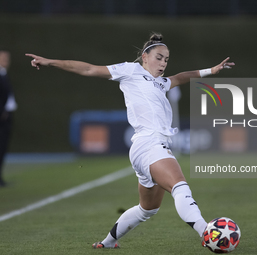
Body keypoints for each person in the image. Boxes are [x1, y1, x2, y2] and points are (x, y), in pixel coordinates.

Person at [25, 33, 235, 249]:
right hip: (150, 144)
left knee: (148, 209)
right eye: (159, 57)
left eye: (166, 59)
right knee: (180, 187)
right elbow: (88, 69)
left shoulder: (161, 83)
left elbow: (182, 77)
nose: (163, 63)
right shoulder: (131, 71)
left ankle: (107, 243)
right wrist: (50, 62)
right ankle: (207, 234)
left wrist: (211, 70)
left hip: (144, 149)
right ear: (145, 56)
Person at [0, 49, 17, 187]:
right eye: (3, 58)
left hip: (6, 118)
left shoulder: (4, 74)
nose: (6, 61)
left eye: (7, 58)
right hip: (2, 118)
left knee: (3, 148)